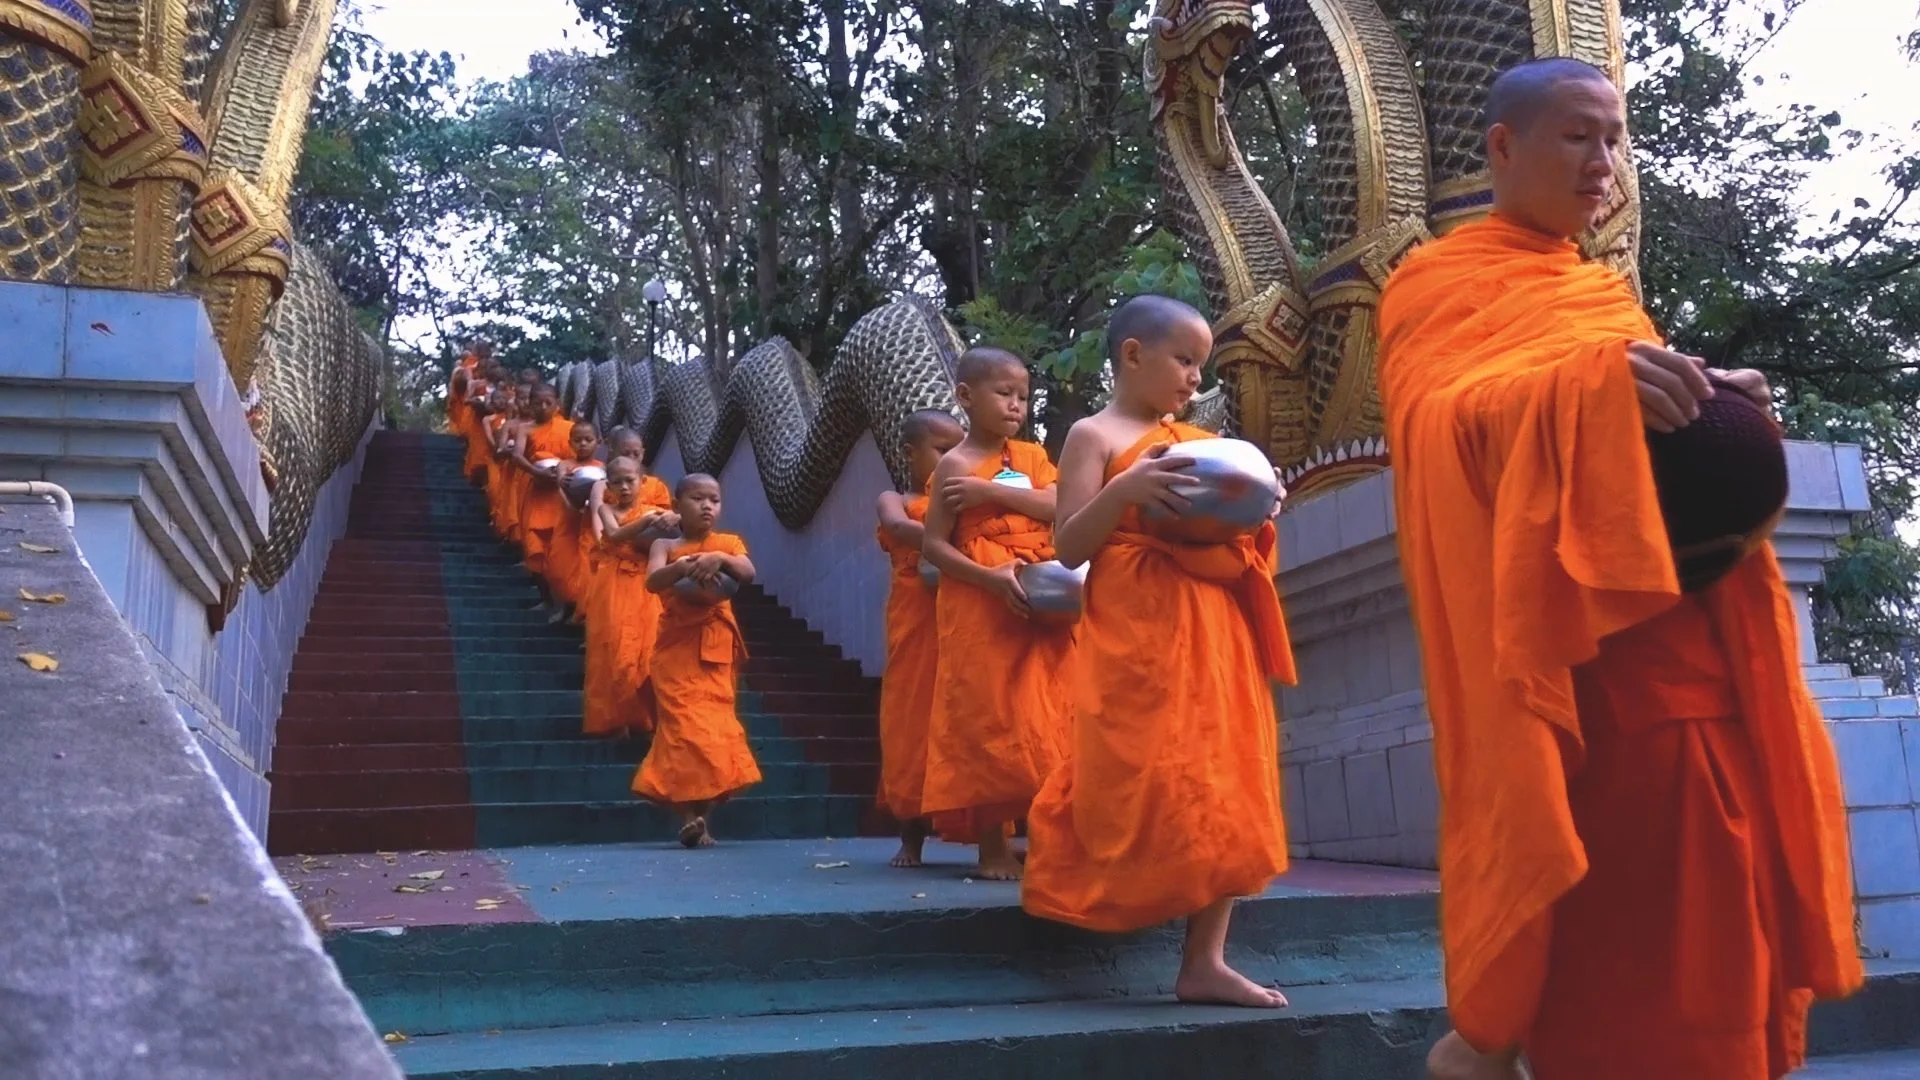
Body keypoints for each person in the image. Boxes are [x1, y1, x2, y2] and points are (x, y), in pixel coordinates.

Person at [1376, 58, 1860, 1079]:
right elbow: (1446, 427)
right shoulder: (1437, 282)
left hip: (1696, 644)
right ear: (1503, 148)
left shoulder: (1599, 294)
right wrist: (1589, 392)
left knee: (1730, 914)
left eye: (1615, 140)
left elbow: (1643, 464)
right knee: (1635, 938)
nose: (1604, 165)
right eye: (1578, 137)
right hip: (1590, 674)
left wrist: (1709, 397)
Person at [1020, 294, 1296, 1008]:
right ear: (1133, 355)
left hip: (1212, 625)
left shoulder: (1197, 439)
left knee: (1224, 774)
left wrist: (1260, 502)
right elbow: (1070, 543)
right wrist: (1128, 489)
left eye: (1200, 368)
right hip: (1138, 630)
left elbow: (1221, 533)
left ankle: (1205, 958)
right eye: (1183, 361)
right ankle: (1116, 887)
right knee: (1150, 770)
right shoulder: (1093, 435)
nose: (1192, 381)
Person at [920, 347, 1074, 881]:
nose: (1016, 406)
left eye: (1023, 396)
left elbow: (1061, 507)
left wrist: (990, 492)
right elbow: (934, 547)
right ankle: (991, 846)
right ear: (965, 396)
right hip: (979, 599)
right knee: (987, 715)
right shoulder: (952, 467)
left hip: (1040, 591)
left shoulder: (1030, 457)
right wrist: (987, 578)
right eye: (1004, 394)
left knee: (1047, 712)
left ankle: (1043, 831)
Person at [630, 473, 762, 848]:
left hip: (716, 650)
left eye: (715, 500)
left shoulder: (728, 543)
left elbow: (748, 572)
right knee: (682, 732)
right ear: (676, 505)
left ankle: (701, 817)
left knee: (716, 736)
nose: (707, 506)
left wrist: (719, 557)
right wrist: (684, 566)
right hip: (675, 650)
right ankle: (688, 817)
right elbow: (653, 582)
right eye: (697, 499)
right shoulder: (665, 544)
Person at [874, 407, 966, 867]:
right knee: (911, 720)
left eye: (959, 451)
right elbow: (897, 528)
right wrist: (948, 533)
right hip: (915, 622)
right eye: (943, 451)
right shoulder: (896, 499)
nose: (954, 461)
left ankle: (982, 825)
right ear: (910, 453)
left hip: (964, 621)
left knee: (966, 715)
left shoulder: (966, 498)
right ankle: (911, 837)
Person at [583, 441, 677, 738]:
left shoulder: (653, 509)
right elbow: (612, 535)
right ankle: (617, 719)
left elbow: (677, 532)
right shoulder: (605, 508)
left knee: (647, 650)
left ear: (642, 481)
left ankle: (647, 718)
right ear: (608, 484)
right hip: (612, 584)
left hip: (646, 583)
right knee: (615, 650)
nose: (624, 487)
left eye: (630, 481)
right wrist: (645, 522)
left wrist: (672, 518)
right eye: (618, 482)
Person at [510, 384, 576, 617]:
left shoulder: (569, 428)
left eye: (549, 402)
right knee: (534, 547)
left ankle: (568, 606)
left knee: (563, 552)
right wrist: (536, 472)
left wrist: (563, 472)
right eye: (538, 402)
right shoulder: (525, 429)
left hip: (562, 494)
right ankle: (546, 599)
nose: (544, 407)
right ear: (530, 404)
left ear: (557, 404)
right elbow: (517, 455)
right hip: (536, 493)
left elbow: (579, 455)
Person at [546, 419, 602, 625]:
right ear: (570, 443)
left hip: (589, 524)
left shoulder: (603, 469)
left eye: (588, 439)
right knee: (559, 569)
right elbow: (560, 488)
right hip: (568, 521)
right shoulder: (565, 465)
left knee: (587, 571)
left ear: (598, 442)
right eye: (578, 440)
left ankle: (582, 614)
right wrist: (565, 491)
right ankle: (562, 607)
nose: (583, 444)